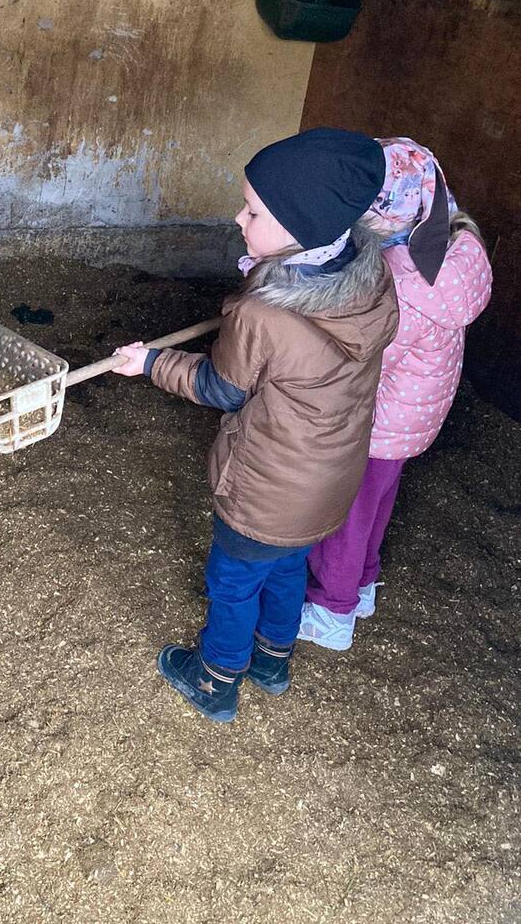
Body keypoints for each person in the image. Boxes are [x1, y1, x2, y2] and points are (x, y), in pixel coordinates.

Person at [113, 127, 399, 724]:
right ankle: (272, 661)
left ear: (300, 228)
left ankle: (215, 679)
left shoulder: (260, 314)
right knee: (288, 567)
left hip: (268, 490)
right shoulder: (372, 281)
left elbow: (221, 388)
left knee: (234, 583)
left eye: (253, 211)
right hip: (329, 483)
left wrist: (151, 363)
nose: (238, 219)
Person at [299, 137, 492, 651]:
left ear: (388, 216)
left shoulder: (403, 284)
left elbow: (368, 357)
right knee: (375, 507)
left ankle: (332, 611)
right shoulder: (449, 252)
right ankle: (363, 584)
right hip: (412, 418)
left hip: (378, 420)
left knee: (344, 514)